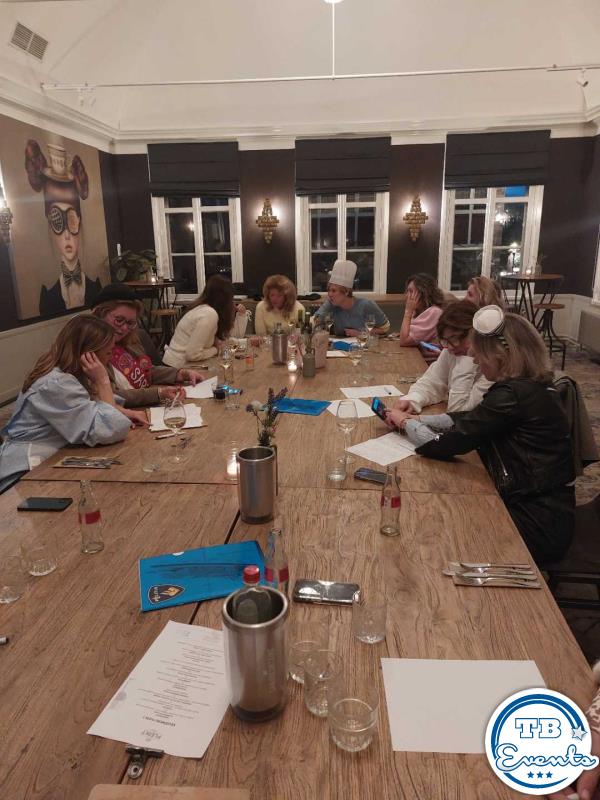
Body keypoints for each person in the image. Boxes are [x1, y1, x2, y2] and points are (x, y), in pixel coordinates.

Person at [386, 306, 575, 564]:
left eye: (480, 354)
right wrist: (419, 420)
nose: (474, 360)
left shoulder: (512, 395)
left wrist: (405, 423)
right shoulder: (526, 387)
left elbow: (447, 443)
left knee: (431, 531)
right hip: (538, 505)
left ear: (500, 354)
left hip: (535, 522)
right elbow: (467, 418)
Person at [0, 316, 132, 486]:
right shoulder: (56, 383)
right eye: (108, 352)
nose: (111, 357)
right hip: (24, 473)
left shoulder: (67, 374)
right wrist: (103, 381)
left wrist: (123, 411)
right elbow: (108, 430)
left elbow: (92, 406)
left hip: (49, 459)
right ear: (88, 354)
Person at [92, 284, 204, 407]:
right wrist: (158, 393)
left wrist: (181, 373)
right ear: (100, 315)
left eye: (130, 323)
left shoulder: (129, 341)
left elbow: (146, 370)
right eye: (119, 320)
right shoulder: (89, 352)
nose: (124, 328)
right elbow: (111, 396)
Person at [25, 140, 102, 316]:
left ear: (79, 222)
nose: (67, 234)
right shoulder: (48, 296)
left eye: (71, 220)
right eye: (58, 221)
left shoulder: (96, 287)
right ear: (51, 226)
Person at [392, 301, 492, 415]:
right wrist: (412, 400)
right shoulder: (452, 350)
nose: (449, 347)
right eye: (445, 340)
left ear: (474, 334)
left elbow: (457, 412)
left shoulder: (492, 366)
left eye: (454, 339)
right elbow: (432, 382)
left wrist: (467, 359)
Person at [163, 275, 249, 368]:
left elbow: (224, 341)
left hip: (182, 365)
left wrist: (247, 342)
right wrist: (216, 349)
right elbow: (193, 354)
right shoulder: (209, 314)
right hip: (176, 368)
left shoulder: (204, 309)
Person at [313, 260, 390, 337]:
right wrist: (318, 320)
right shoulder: (331, 304)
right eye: (328, 290)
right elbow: (315, 321)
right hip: (341, 344)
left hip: (363, 343)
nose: (329, 294)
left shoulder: (366, 305)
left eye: (333, 291)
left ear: (346, 292)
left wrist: (360, 333)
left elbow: (385, 328)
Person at [396, 273, 445, 351]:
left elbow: (404, 341)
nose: (407, 295)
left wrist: (408, 312)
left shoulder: (434, 312)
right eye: (407, 291)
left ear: (424, 293)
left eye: (411, 291)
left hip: (429, 358)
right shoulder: (417, 311)